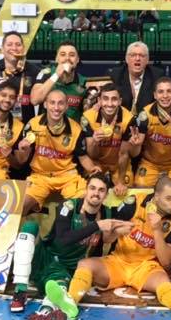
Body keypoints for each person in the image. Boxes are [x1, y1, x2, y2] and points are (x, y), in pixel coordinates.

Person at [44, 176, 171, 320]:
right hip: (118, 261)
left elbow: (166, 262)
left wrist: (158, 230)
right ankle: (70, 301)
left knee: (162, 280)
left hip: (145, 267)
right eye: (169, 198)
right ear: (157, 196)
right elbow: (107, 239)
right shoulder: (133, 203)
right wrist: (116, 232)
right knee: (85, 264)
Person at [11, 175, 130, 320]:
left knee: (57, 288)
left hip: (67, 269)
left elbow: (110, 236)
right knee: (30, 227)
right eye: (92, 188)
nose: (96, 193)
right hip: (46, 257)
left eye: (101, 190)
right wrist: (97, 226)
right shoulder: (68, 207)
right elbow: (63, 239)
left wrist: (118, 232)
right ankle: (20, 291)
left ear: (106, 195)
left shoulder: (107, 214)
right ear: (86, 190)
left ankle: (46, 311)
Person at [14, 90, 95, 218]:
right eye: (52, 103)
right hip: (40, 176)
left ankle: (82, 236)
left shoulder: (75, 128)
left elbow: (83, 157)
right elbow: (21, 160)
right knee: (20, 205)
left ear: (67, 106)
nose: (56, 108)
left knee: (86, 205)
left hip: (66, 176)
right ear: (45, 104)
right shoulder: (33, 125)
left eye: (60, 103)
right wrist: (23, 150)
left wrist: (93, 169)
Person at [79, 84, 137, 197]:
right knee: (91, 190)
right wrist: (95, 141)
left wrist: (120, 182)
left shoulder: (128, 118)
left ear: (120, 101)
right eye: (105, 99)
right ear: (99, 100)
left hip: (118, 164)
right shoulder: (87, 117)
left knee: (125, 191)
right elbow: (92, 155)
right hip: (97, 163)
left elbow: (124, 154)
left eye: (114, 99)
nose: (110, 104)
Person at [31, 42, 88, 120]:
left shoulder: (83, 82)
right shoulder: (46, 74)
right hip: (45, 129)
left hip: (72, 130)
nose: (67, 58)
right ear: (56, 59)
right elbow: (34, 100)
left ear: (77, 60)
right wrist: (56, 75)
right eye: (63, 54)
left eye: (72, 55)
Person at [110, 41, 164, 115]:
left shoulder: (157, 75)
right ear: (126, 59)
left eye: (142, 55)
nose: (137, 58)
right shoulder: (115, 74)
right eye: (133, 55)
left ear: (147, 60)